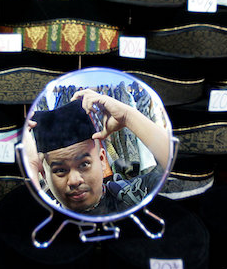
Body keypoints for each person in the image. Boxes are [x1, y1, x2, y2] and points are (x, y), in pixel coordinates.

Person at [26, 88, 170, 215]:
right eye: (60, 170)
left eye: (84, 164)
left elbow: (177, 170)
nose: (75, 181)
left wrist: (128, 116)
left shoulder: (135, 193)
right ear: (44, 175)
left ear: (102, 160)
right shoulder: (40, 217)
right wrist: (31, 165)